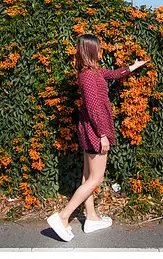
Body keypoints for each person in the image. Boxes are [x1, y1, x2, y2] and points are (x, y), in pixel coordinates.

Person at [46, 34, 148, 242]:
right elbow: (93, 109)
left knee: (87, 175)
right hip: (95, 131)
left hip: (89, 129)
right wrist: (103, 134)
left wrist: (133, 67)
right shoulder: (89, 77)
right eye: (99, 49)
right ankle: (63, 217)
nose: (101, 51)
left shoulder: (91, 71)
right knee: (95, 179)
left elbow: (112, 74)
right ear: (92, 50)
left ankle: (91, 218)